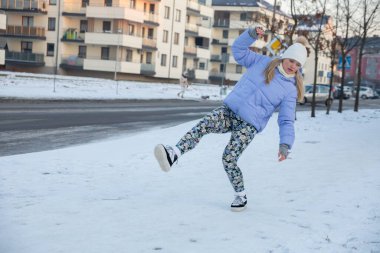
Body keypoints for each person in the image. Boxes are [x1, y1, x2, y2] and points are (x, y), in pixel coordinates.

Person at [154, 26, 308, 212]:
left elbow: (286, 120)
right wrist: (250, 35)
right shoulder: (262, 62)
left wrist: (285, 144)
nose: (293, 66)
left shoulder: (290, 89)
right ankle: (174, 154)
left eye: (298, 65)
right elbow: (239, 51)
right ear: (284, 57)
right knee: (204, 124)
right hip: (230, 110)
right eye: (291, 61)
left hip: (249, 125)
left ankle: (240, 195)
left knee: (229, 158)